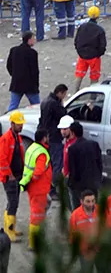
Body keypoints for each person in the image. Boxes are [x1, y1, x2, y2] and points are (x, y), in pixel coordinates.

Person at [19, 129, 52, 250]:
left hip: (33, 188)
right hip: (39, 189)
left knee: (38, 212)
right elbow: (38, 172)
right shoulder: (42, 153)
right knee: (37, 215)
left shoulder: (32, 147)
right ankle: (34, 243)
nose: (48, 138)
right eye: (47, 136)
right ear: (44, 138)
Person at [0, 110, 25, 242]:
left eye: (22, 124)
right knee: (12, 202)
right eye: (19, 124)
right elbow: (2, 159)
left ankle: (11, 228)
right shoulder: (5, 139)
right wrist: (9, 175)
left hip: (17, 175)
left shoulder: (17, 137)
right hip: (10, 177)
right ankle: (8, 231)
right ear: (12, 124)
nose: (21, 126)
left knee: (14, 203)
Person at [67, 122, 103, 210]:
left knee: (79, 208)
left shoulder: (73, 149)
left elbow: (73, 170)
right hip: (93, 182)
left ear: (72, 133)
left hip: (80, 185)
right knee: (93, 206)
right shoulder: (94, 144)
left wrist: (70, 183)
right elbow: (99, 163)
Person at [73, 6, 106, 91]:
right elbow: (102, 45)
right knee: (94, 76)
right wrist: (99, 54)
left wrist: (79, 51)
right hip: (94, 57)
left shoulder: (82, 27)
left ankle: (75, 92)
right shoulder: (100, 30)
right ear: (98, 16)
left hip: (82, 55)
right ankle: (93, 94)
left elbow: (76, 40)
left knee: (79, 74)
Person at [6, 31, 40, 111]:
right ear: (29, 40)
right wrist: (36, 85)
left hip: (16, 83)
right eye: (33, 38)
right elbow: (35, 71)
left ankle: (9, 121)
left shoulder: (14, 50)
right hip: (30, 85)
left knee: (13, 106)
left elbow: (8, 66)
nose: (34, 40)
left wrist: (14, 75)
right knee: (37, 106)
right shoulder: (32, 53)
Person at [69, 190, 99, 262]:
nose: (91, 204)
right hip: (84, 251)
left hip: (99, 249)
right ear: (81, 201)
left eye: (93, 201)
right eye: (88, 201)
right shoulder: (75, 215)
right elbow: (72, 235)